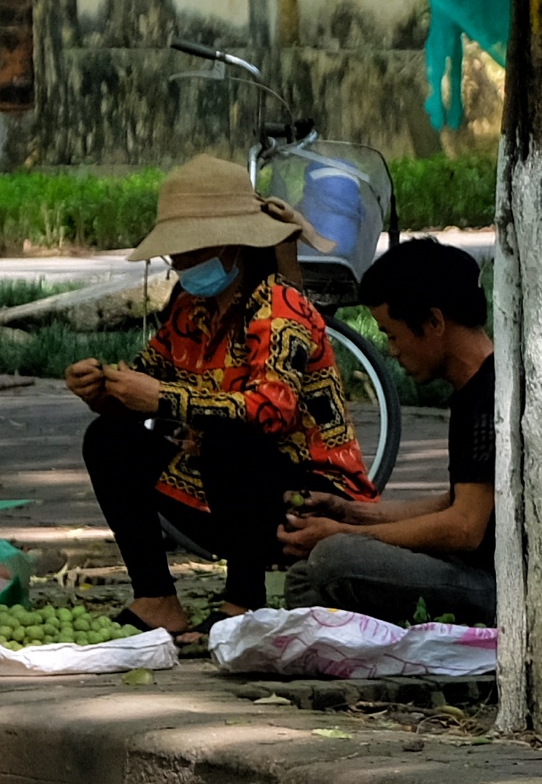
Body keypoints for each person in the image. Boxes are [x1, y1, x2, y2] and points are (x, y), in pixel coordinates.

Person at [66, 156, 372, 638]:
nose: (179, 263)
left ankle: (244, 603)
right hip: (223, 495)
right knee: (108, 439)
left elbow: (273, 410)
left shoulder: (278, 305)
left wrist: (165, 399)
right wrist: (103, 389)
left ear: (229, 244)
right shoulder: (192, 310)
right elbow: (148, 381)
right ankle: (156, 600)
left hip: (306, 500)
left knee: (234, 437)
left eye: (188, 251)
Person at [278, 237, 499, 625]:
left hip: (495, 585)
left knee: (335, 558)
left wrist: (342, 534)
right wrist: (351, 513)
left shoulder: (493, 392)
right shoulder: (473, 390)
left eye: (392, 335)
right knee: (304, 581)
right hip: (470, 565)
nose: (392, 351)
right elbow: (453, 502)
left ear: (434, 322)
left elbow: (464, 528)